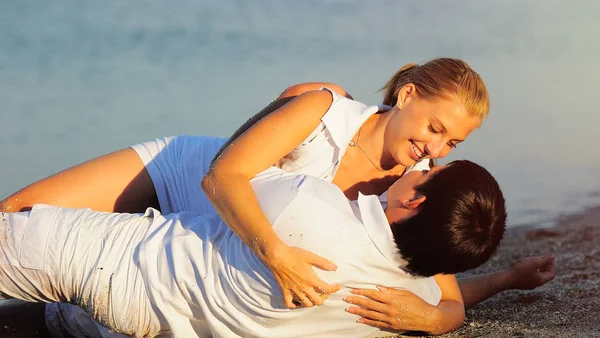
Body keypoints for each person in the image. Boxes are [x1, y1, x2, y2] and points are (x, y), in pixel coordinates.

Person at [0, 58, 554, 335]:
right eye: (434, 127)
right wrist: (275, 253)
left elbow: (445, 293)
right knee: (16, 215)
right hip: (188, 177)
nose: (434, 148)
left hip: (211, 249)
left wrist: (434, 320)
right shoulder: (324, 109)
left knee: (71, 304)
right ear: (407, 95)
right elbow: (222, 178)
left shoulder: (410, 190)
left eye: (452, 142)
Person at [0, 159, 507, 337]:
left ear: (415, 199)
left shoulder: (310, 204)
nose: (418, 165)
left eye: (427, 172)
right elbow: (451, 297)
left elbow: (222, 172)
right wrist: (504, 281)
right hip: (154, 320)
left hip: (124, 260)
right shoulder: (400, 299)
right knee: (50, 319)